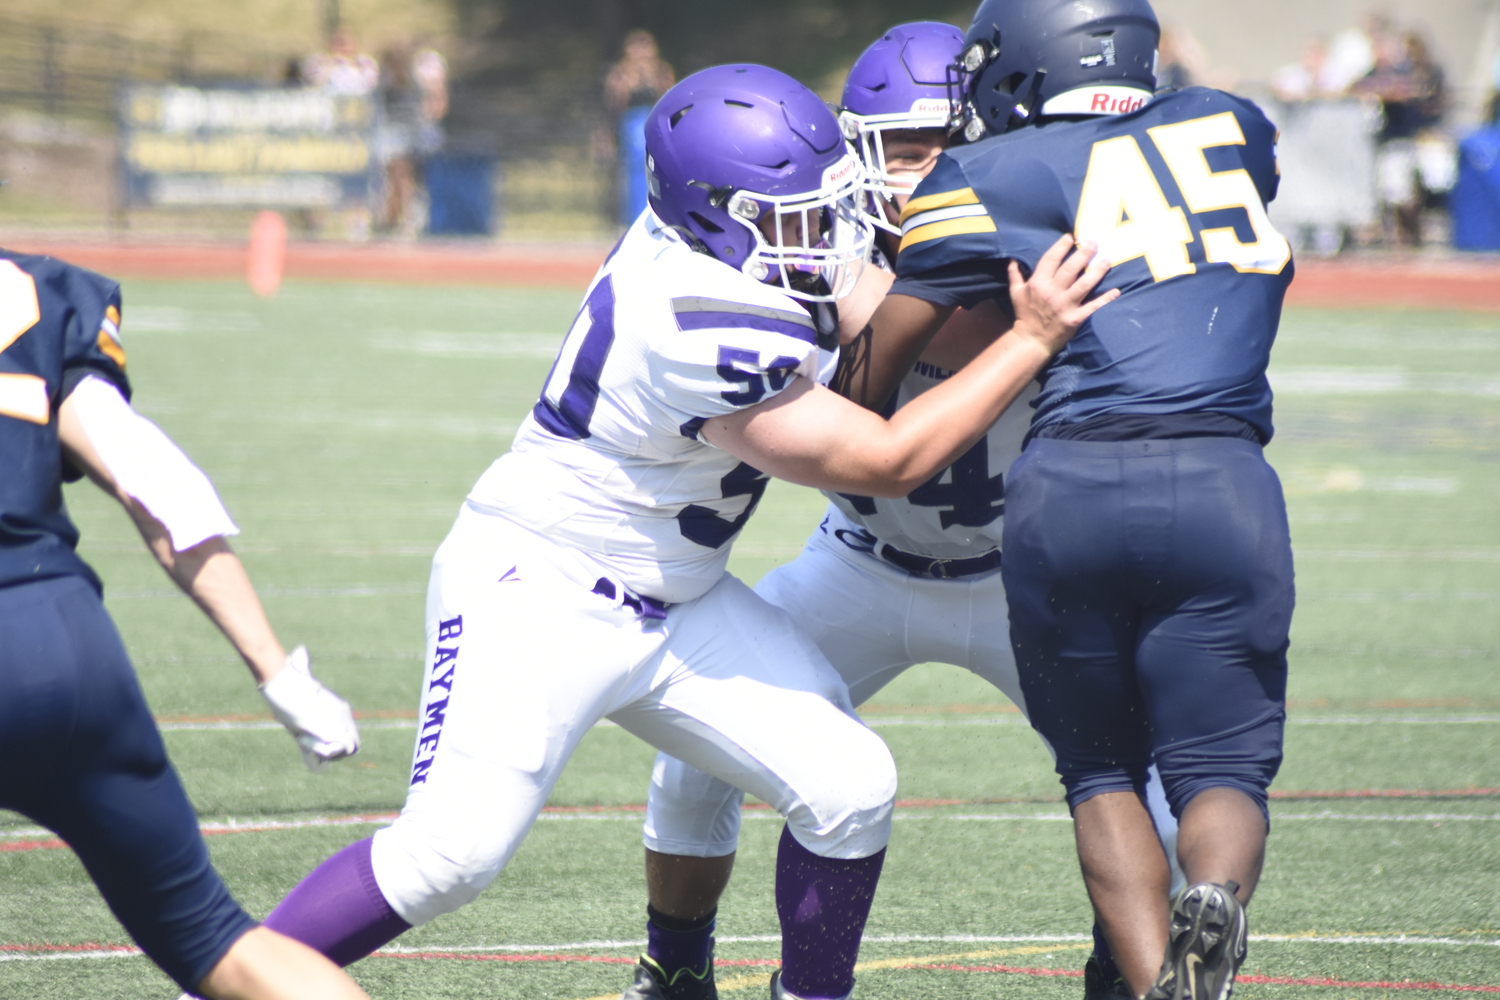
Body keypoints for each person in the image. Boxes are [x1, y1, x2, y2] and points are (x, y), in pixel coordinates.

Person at [248, 63, 1113, 1000]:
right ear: (715, 217)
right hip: (542, 589)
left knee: (850, 783)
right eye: (796, 217)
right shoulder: (697, 318)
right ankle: (221, 978)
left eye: (826, 209)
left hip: (679, 599)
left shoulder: (738, 244)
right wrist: (1031, 337)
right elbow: (888, 458)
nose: (826, 234)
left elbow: (913, 324)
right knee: (449, 858)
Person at [622, 24, 1178, 1000]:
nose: (929, 173)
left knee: (1156, 795)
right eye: (909, 149)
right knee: (696, 760)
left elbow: (972, 327)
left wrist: (897, 291)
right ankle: (675, 969)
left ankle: (1121, 975)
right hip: (862, 562)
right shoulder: (800, 244)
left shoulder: (1052, 250)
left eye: (950, 147)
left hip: (1025, 579)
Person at [857, 1, 1297, 998]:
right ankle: (1215, 890)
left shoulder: (986, 175)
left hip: (1074, 485)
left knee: (1099, 773)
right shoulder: (1238, 126)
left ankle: (1154, 990)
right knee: (1222, 764)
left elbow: (868, 378)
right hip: (1228, 481)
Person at [0, 248, 367, 999]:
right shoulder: (34, 291)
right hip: (58, 641)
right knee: (217, 937)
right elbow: (155, 482)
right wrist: (278, 671)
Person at [1353, 30, 1448, 247]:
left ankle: (1419, 232)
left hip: (1421, 138)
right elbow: (1355, 86)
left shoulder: (1418, 71)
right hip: (1395, 140)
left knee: (1429, 185)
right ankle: (1401, 235)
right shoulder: (1380, 73)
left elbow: (1432, 98)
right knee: (1396, 192)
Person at [374, 42, 448, 235]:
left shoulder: (415, 81)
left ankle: (402, 219)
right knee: (397, 178)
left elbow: (435, 105)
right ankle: (391, 219)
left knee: (406, 178)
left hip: (411, 135)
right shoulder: (385, 82)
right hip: (393, 135)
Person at [605, 30, 675, 228]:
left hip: (652, 122)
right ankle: (632, 218)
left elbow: (667, 100)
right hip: (631, 125)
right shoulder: (620, 73)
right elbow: (614, 106)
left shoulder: (662, 71)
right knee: (634, 172)